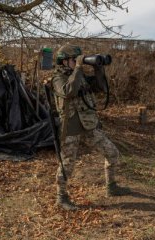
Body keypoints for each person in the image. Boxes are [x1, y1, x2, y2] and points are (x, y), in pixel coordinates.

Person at [51, 44, 130, 211]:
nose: (77, 62)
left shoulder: (80, 76)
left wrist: (98, 68)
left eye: (77, 60)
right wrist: (78, 68)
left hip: (89, 125)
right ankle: (61, 197)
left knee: (112, 153)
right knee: (67, 165)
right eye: (74, 59)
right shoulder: (58, 79)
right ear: (64, 61)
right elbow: (69, 91)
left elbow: (101, 87)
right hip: (70, 128)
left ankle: (111, 186)